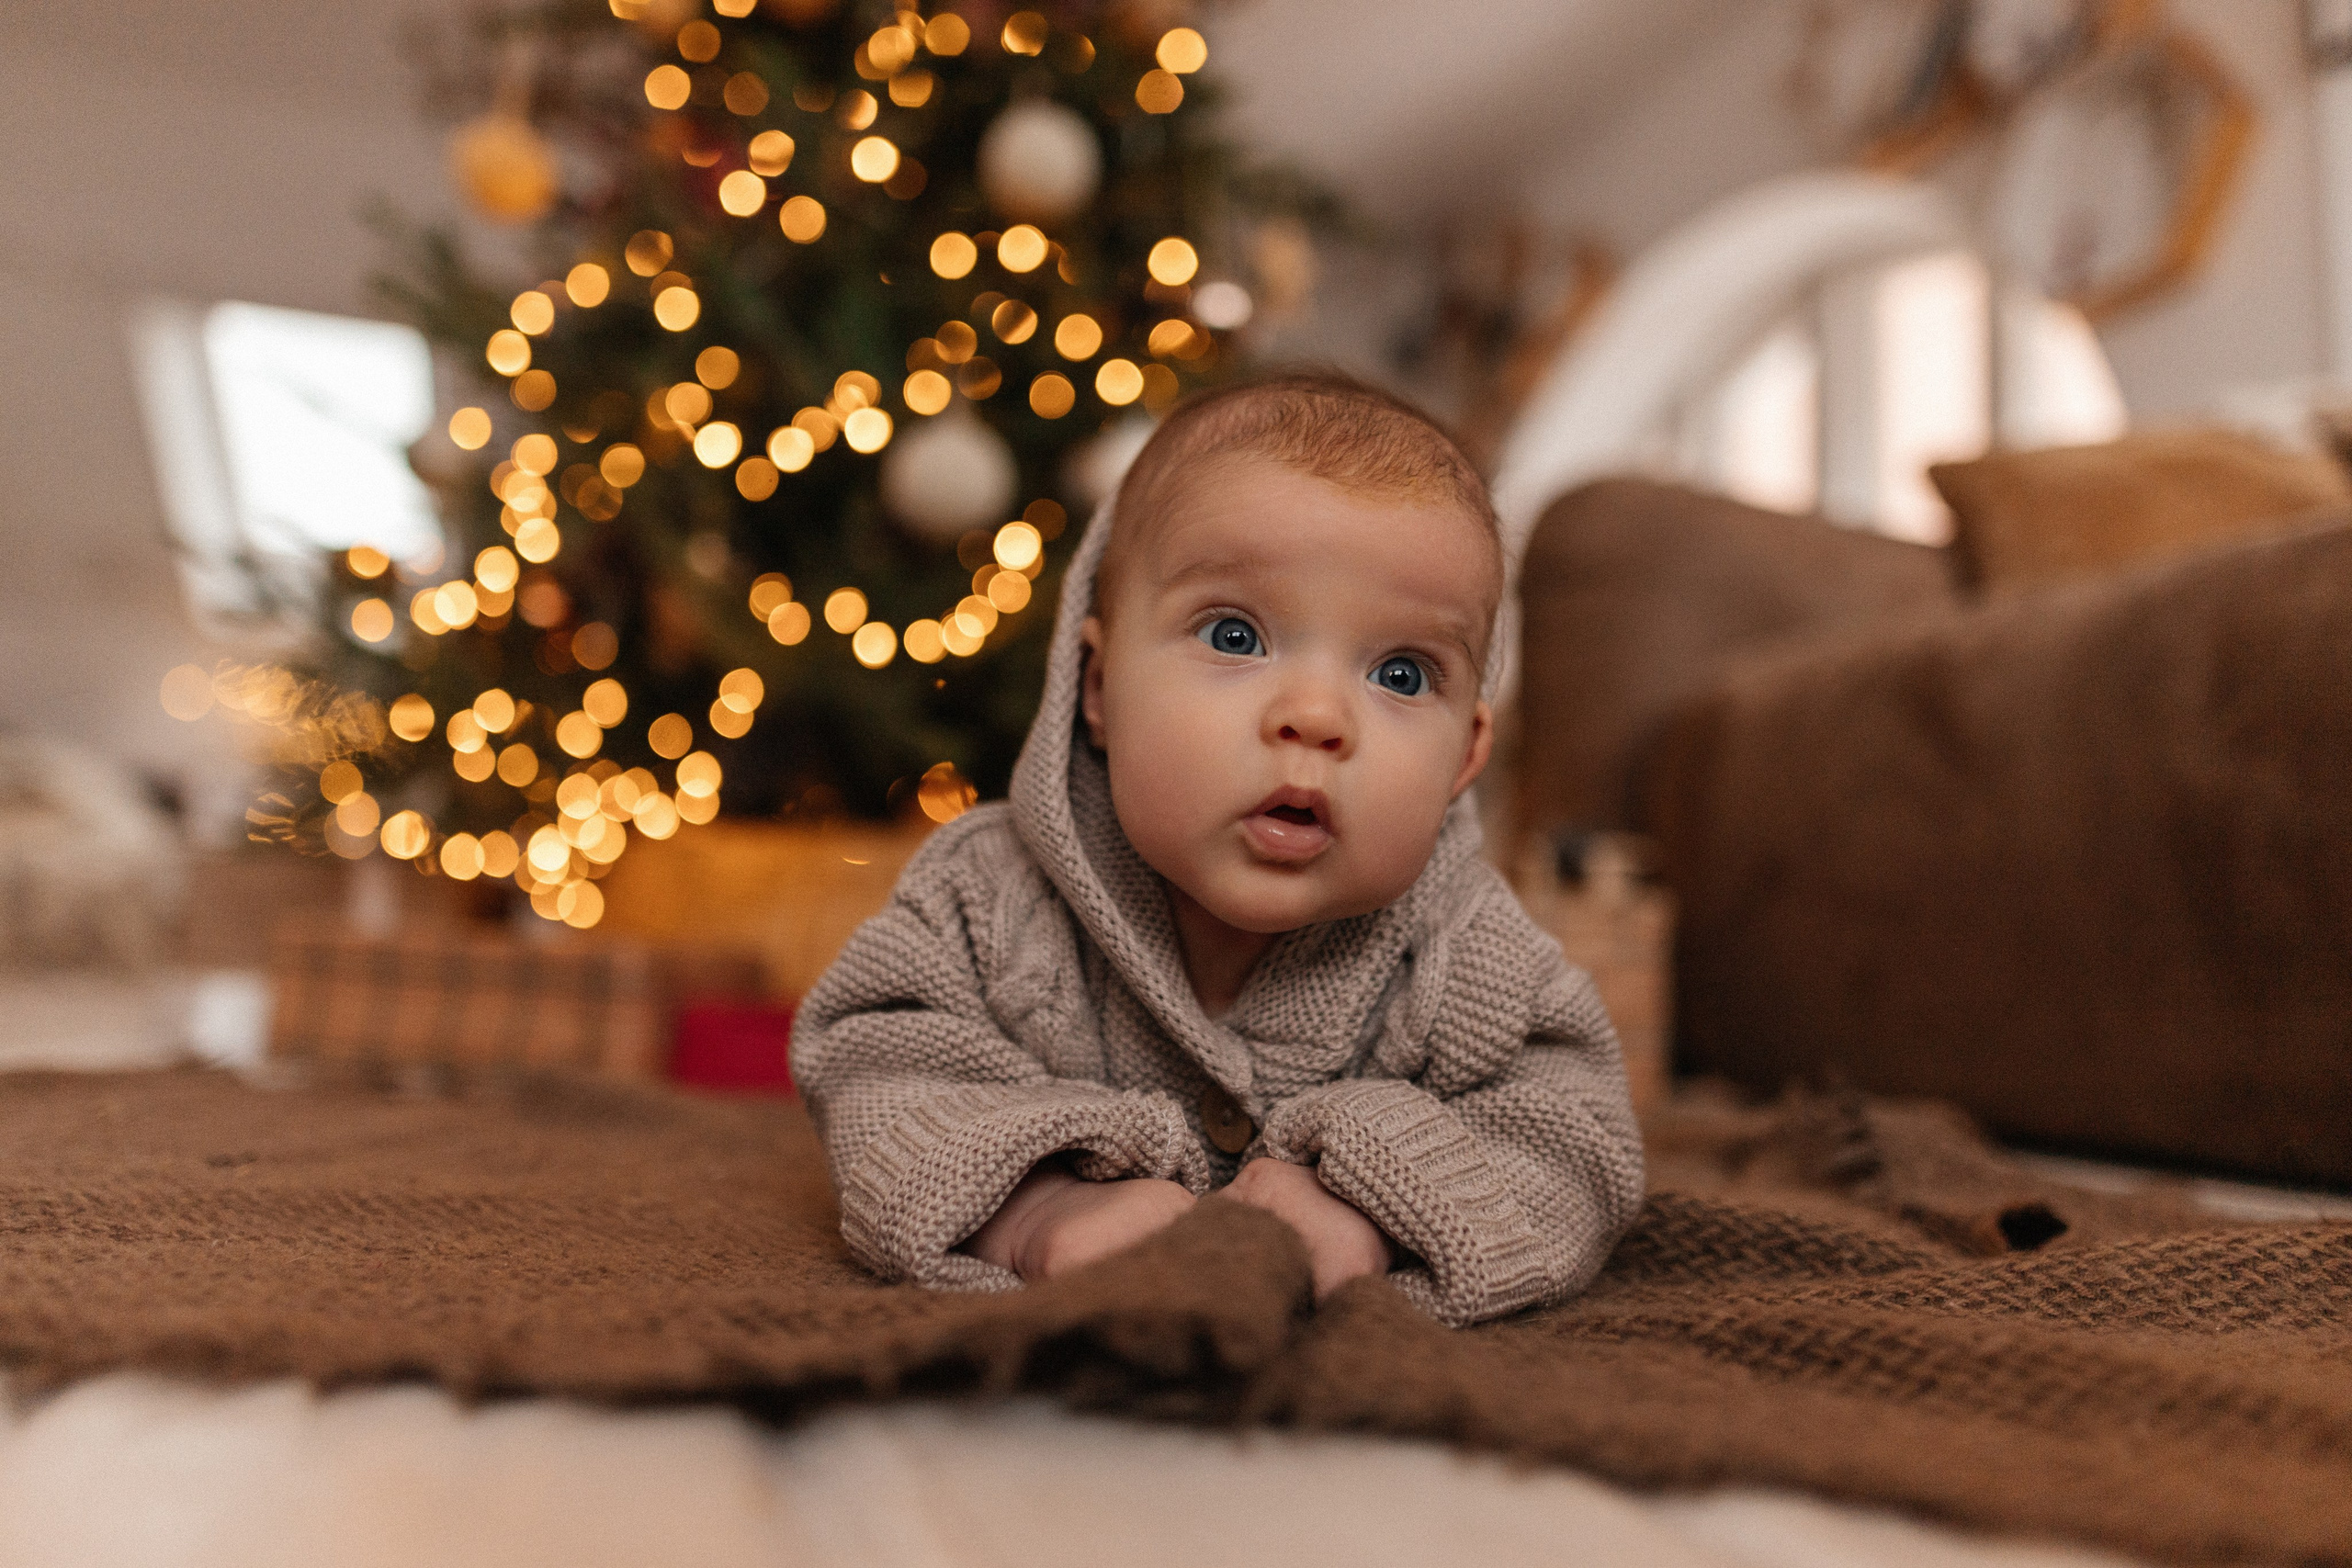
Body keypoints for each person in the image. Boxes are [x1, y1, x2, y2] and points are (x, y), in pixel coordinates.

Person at [792, 373, 1645, 1326]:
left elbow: (1574, 1147)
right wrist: (1038, 1206)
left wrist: (1370, 1213)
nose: (1316, 717)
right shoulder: (985, 896)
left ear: (1464, 758)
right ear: (1099, 686)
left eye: (1401, 674)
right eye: (1235, 635)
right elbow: (879, 1071)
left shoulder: (1471, 953)